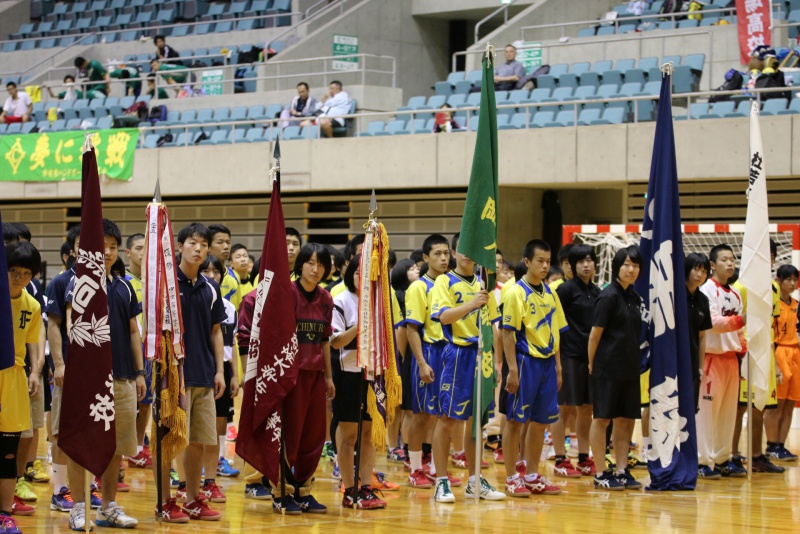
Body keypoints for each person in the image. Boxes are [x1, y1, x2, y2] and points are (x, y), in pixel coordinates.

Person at [64, 219, 144, 529]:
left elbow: (134, 332)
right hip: (87, 380)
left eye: (112, 247)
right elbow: (72, 326)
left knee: (118, 446)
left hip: (123, 376)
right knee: (81, 441)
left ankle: (108, 505)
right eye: (102, 246)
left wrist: (139, 372)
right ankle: (79, 506)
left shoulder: (124, 286)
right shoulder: (79, 283)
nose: (107, 252)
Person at [430, 233, 505, 503]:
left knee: (478, 423)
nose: (467, 254)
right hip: (457, 354)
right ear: (453, 253)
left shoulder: (485, 284)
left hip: (481, 356)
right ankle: (441, 480)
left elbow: (494, 325)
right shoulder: (444, 280)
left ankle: (475, 481)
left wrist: (496, 360)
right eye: (461, 250)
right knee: (448, 419)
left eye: (472, 248)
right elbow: (443, 316)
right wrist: (472, 304)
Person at [167, 223, 226, 522]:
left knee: (200, 440)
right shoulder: (167, 285)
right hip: (173, 376)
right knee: (172, 439)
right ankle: (165, 500)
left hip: (204, 373)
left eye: (204, 244)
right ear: (179, 247)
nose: (199, 248)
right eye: (193, 243)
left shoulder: (211, 287)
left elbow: (216, 332)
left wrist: (220, 371)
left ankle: (192, 498)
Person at [501, 239, 567, 497]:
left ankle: (531, 475)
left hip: (547, 364)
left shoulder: (550, 292)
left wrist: (559, 368)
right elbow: (507, 333)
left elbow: (557, 332)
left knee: (540, 422)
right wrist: (512, 370)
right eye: (540, 261)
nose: (544, 266)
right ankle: (510, 478)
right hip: (525, 362)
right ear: (527, 261)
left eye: (548, 261)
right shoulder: (516, 292)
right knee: (515, 421)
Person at [276, 243, 335, 514]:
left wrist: (329, 377)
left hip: (315, 376)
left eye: (321, 264)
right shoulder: (286, 293)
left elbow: (324, 340)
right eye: (311, 262)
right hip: (290, 375)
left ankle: (303, 490)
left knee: (313, 436)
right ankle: (281, 492)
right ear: (300, 264)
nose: (316, 268)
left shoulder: (325, 299)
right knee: (291, 435)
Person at [330, 255, 388, 509]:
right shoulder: (341, 300)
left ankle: (366, 486)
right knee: (349, 435)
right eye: (357, 273)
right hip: (348, 373)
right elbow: (335, 341)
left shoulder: (381, 303)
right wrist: (361, 324)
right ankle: (349, 488)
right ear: (350, 274)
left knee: (368, 434)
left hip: (373, 375)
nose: (362, 278)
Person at [588, 246, 644, 491]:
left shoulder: (634, 297)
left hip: (630, 368)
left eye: (635, 265)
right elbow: (594, 335)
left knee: (625, 420)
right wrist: (592, 363)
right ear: (617, 267)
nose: (631, 270)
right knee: (602, 419)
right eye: (626, 265)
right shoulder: (608, 296)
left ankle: (621, 470)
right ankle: (601, 472)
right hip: (607, 368)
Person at [404, 234, 452, 489]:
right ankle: (414, 469)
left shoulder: (450, 284)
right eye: (437, 253)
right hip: (429, 352)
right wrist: (421, 362)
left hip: (450, 354)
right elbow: (412, 328)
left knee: (443, 415)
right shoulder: (418, 288)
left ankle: (437, 468)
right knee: (421, 415)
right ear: (425, 257)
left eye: (446, 253)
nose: (444, 258)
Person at [2, 241, 43, 531]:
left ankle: (5, 512)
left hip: (14, 379)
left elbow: (32, 343)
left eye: (26, 273)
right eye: (13, 271)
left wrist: (35, 372)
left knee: (8, 452)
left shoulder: (32, 305)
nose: (19, 277)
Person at [696, 244, 747, 478]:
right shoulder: (707, 290)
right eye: (725, 259)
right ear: (713, 265)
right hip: (711, 359)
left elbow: (739, 333)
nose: (730, 263)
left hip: (731, 361)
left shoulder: (735, 294)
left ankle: (723, 458)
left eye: (733, 260)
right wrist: (740, 321)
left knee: (728, 413)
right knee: (707, 413)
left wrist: (743, 353)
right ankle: (703, 461)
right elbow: (713, 322)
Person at [552, 244, 600, 478]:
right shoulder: (565, 290)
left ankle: (583, 457)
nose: (586, 265)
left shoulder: (597, 291)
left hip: (589, 357)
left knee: (587, 409)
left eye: (589, 260)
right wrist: (557, 361)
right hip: (568, 355)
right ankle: (560, 458)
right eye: (581, 261)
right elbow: (554, 325)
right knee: (564, 408)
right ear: (572, 265)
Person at [44, 225, 82, 514]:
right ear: (72, 251)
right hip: (69, 370)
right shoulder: (60, 282)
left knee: (92, 429)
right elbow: (54, 325)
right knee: (61, 430)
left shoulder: (109, 282)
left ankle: (85, 487)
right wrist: (59, 363)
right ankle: (60, 491)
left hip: (99, 374)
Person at [198, 254, 241, 479]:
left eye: (216, 272)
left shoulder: (229, 308)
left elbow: (230, 343)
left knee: (220, 422)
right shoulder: (195, 302)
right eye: (207, 271)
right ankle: (197, 469)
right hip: (202, 369)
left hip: (222, 370)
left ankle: (216, 464)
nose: (212, 276)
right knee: (201, 425)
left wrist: (234, 374)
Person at [764, 265, 800, 462]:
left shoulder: (797, 304)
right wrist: (776, 365)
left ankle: (781, 445)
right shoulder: (773, 304)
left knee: (790, 403)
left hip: (795, 354)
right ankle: (771, 445)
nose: (793, 283)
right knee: (776, 404)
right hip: (778, 352)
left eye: (795, 279)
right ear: (778, 280)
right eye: (789, 279)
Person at [123, 234, 152, 470]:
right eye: (139, 248)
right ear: (128, 253)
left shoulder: (155, 281)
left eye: (147, 248)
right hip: (127, 349)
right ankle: (122, 448)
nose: (143, 252)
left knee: (146, 402)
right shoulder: (122, 281)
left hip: (149, 349)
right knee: (125, 403)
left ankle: (138, 448)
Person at [685, 253, 713, 414]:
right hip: (674, 363)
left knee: (690, 410)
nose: (699, 275)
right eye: (696, 269)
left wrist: (700, 367)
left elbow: (702, 336)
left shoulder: (703, 300)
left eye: (704, 271)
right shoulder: (676, 295)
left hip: (693, 364)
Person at [208, 224, 240, 309]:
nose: (226, 247)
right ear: (208, 247)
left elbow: (238, 310)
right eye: (220, 242)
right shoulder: (200, 275)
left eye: (228, 242)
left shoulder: (235, 276)